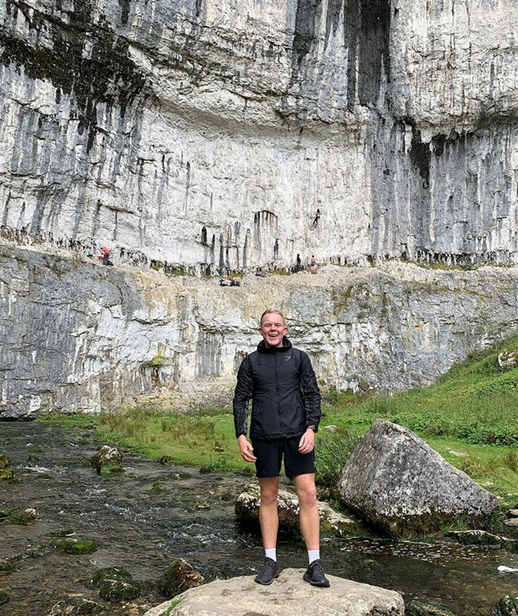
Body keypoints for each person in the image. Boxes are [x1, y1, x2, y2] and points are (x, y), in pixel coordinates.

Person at [233, 309, 330, 588]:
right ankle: (271, 562)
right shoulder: (250, 362)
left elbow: (313, 394)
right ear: (261, 331)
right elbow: (241, 400)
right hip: (264, 436)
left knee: (309, 494)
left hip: (298, 435)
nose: (272, 329)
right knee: (268, 495)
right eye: (267, 325)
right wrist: (241, 434)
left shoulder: (299, 358)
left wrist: (312, 428)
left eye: (277, 325)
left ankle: (314, 564)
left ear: (285, 329)